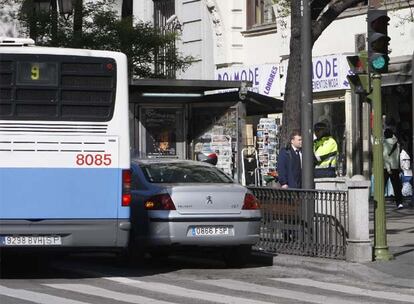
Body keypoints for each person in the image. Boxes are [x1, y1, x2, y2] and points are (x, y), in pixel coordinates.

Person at [383, 128, 403, 209]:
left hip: (386, 168)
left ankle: (380, 203)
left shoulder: (384, 143)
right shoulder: (397, 144)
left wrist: (388, 168)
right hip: (395, 167)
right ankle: (399, 203)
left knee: (382, 186)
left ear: (385, 135)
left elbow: (385, 156)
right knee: (397, 186)